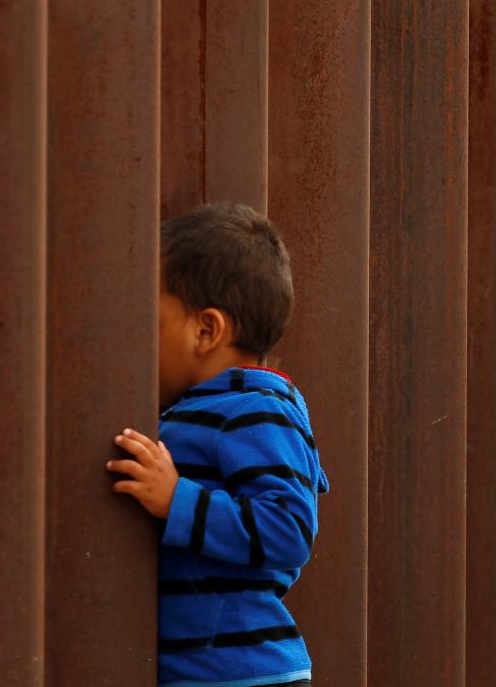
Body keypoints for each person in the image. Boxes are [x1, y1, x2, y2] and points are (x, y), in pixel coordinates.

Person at [108, 202, 328, 687]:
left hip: (239, 674)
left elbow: (289, 531)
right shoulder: (199, 407)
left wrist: (176, 498)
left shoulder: (256, 409)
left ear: (206, 330)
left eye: (153, 318)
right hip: (199, 671)